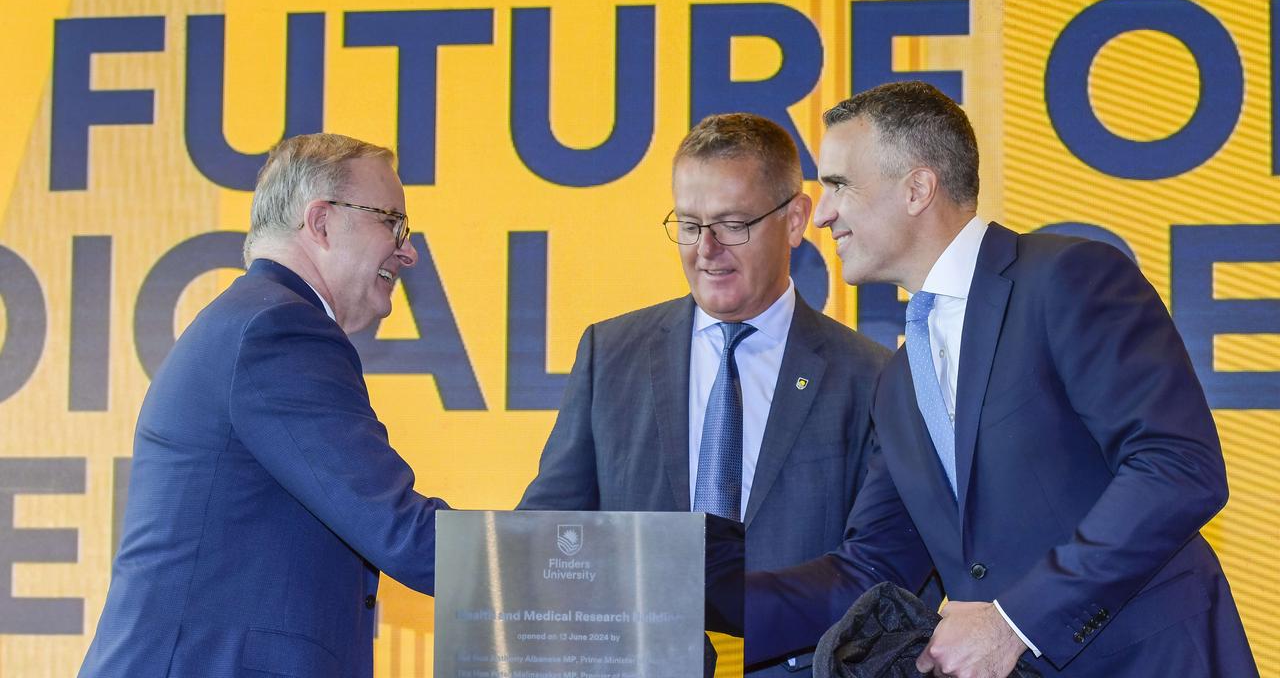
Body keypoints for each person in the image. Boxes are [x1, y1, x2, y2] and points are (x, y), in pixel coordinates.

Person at [744, 81, 1258, 677]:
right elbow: (870, 571)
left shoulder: (1068, 278)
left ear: (917, 188)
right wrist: (691, 598)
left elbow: (1177, 469)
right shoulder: (901, 384)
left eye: (837, 185)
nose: (823, 213)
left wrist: (1015, 620)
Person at [519, 113, 893, 677]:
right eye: (689, 225)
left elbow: (879, 577)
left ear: (795, 220)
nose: (707, 249)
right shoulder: (610, 353)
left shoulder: (869, 377)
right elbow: (548, 534)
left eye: (732, 224)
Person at [79, 134, 449, 678]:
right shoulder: (280, 329)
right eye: (391, 221)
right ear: (321, 222)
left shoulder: (255, 319)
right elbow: (400, 530)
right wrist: (570, 566)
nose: (407, 249)